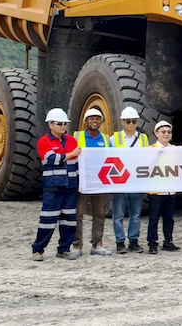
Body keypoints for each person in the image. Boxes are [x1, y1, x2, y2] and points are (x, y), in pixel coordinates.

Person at [31, 108, 81, 261]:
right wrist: (71, 154)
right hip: (53, 187)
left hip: (70, 187)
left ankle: (64, 249)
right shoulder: (44, 142)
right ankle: (38, 250)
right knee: (47, 220)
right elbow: (51, 159)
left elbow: (76, 163)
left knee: (69, 221)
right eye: (59, 123)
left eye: (65, 123)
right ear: (50, 125)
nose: (63, 126)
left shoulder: (71, 141)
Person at [72, 108, 112, 257]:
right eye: (91, 118)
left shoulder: (106, 139)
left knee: (99, 214)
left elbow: (112, 157)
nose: (94, 121)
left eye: (97, 119)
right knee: (78, 214)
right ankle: (77, 245)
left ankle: (97, 244)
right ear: (85, 122)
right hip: (82, 180)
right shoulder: (76, 137)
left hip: (99, 180)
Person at [110, 106, 148, 255]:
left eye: (134, 121)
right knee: (118, 215)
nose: (131, 123)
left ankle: (133, 241)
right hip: (120, 182)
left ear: (137, 122)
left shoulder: (143, 138)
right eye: (128, 121)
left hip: (137, 181)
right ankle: (120, 242)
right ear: (122, 122)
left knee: (136, 215)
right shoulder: (114, 139)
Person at [147, 120, 179, 254]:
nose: (166, 134)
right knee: (154, 218)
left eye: (169, 132)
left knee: (169, 218)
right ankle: (152, 243)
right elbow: (146, 166)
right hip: (156, 191)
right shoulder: (150, 149)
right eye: (163, 132)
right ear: (156, 134)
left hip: (170, 190)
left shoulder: (175, 149)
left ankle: (168, 241)